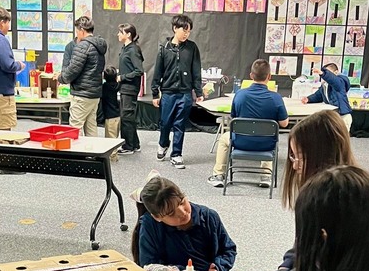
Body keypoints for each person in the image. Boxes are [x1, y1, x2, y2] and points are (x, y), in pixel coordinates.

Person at [232, 110, 357, 271]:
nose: (295, 164)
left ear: (324, 154)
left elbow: (322, 270)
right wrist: (287, 266)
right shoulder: (330, 190)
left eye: (300, 156)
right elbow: (304, 242)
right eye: (292, 155)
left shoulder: (335, 198)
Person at [135, 175, 236, 271]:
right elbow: (150, 267)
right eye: (171, 213)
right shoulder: (150, 225)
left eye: (182, 202)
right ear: (157, 217)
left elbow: (228, 249)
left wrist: (217, 268)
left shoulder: (208, 216)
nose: (182, 212)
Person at [208, 59, 289, 189]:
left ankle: (219, 175)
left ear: (251, 76)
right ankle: (266, 176)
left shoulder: (240, 94)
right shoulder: (276, 98)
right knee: (271, 136)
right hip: (266, 144)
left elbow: (234, 118)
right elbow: (284, 124)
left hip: (240, 141)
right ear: (269, 77)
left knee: (224, 139)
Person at [152, 15, 203, 170]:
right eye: (184, 30)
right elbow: (157, 72)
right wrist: (155, 93)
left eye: (189, 31)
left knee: (180, 124)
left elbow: (196, 70)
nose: (186, 34)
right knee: (165, 122)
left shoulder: (192, 48)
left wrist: (198, 92)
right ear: (175, 28)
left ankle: (176, 155)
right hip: (167, 92)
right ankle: (163, 144)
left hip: (185, 93)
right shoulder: (164, 48)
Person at [59, 16, 107, 136]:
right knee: (91, 127)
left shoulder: (82, 46)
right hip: (94, 93)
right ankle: (94, 154)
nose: (77, 35)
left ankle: (79, 155)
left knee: (76, 127)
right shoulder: (98, 46)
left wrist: (61, 78)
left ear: (82, 30)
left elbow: (73, 70)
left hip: (82, 94)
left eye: (77, 31)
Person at [117, 22, 144, 154]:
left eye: (120, 32)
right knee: (128, 116)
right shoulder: (125, 48)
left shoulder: (133, 50)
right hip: (125, 88)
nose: (118, 34)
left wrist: (122, 77)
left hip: (129, 88)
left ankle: (128, 146)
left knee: (126, 117)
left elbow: (139, 71)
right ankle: (135, 144)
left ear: (128, 34)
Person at [302, 63, 353, 131]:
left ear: (336, 72)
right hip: (332, 116)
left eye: (328, 73)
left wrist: (323, 73)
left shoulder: (341, 81)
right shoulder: (325, 85)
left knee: (340, 138)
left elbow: (334, 80)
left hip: (342, 116)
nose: (325, 75)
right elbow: (318, 95)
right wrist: (308, 99)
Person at [102, 65, 121, 149]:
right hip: (117, 115)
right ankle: (114, 155)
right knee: (115, 137)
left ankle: (112, 157)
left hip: (109, 117)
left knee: (110, 140)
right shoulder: (118, 85)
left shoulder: (105, 87)